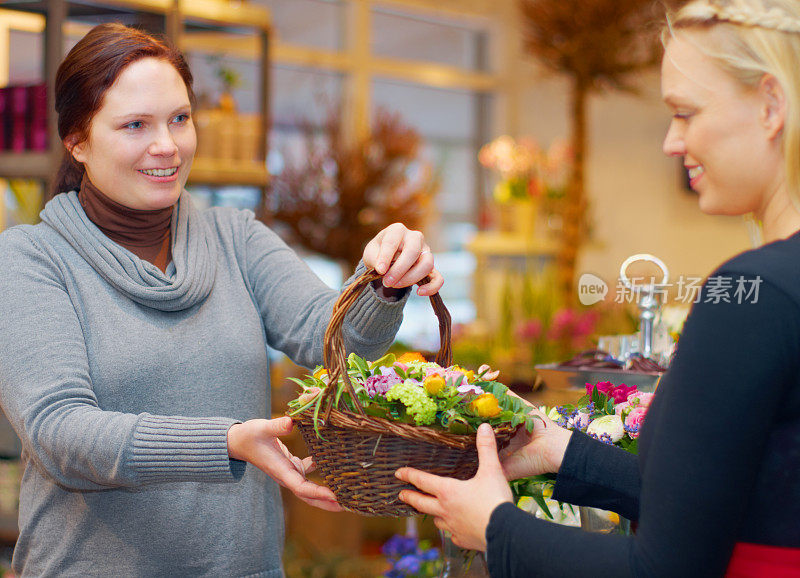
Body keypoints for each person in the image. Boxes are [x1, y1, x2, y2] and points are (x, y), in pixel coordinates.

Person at [0, 22, 443, 577]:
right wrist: (226, 441)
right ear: (78, 141)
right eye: (135, 125)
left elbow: (334, 339)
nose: (167, 145)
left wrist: (383, 280)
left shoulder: (235, 237)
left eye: (179, 119)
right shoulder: (31, 258)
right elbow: (60, 432)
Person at [396, 0, 800, 575]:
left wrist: (496, 530)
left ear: (770, 105)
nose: (670, 141)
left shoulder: (752, 295)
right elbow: (727, 500)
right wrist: (560, 451)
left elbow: (664, 568)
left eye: (685, 113)